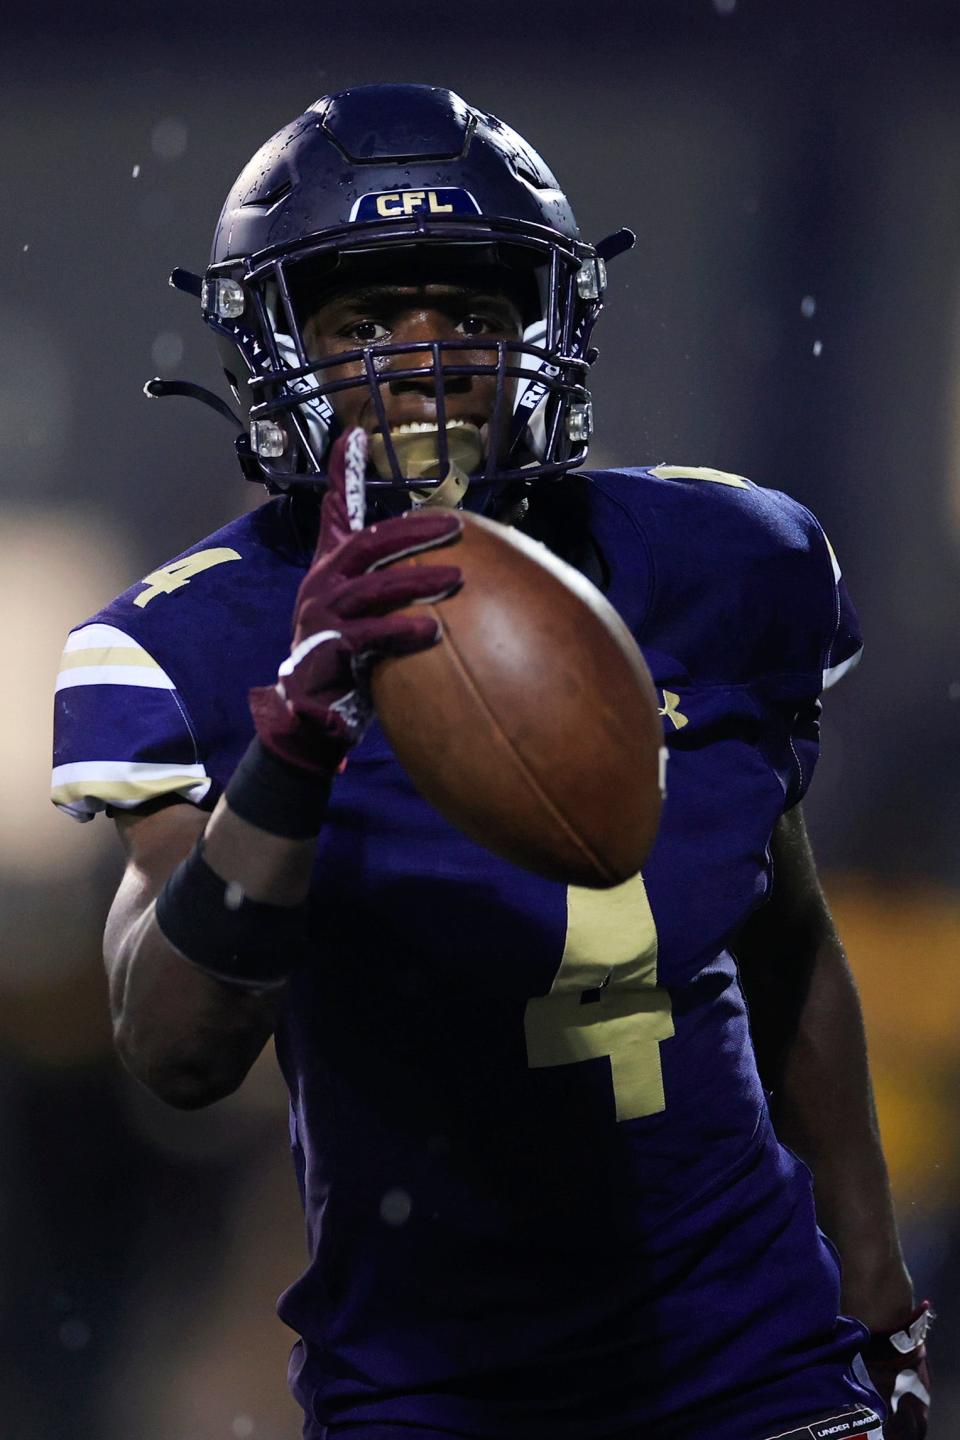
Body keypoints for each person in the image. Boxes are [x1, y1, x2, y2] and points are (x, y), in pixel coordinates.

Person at [51, 85, 931, 1440]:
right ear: (273, 346)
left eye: (468, 312)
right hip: (433, 1392)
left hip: (752, 1366)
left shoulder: (728, 563)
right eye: (363, 320)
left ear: (545, 323)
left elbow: (789, 940)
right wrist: (294, 747)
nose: (425, 360)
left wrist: (876, 1295)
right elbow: (175, 1046)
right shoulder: (184, 641)